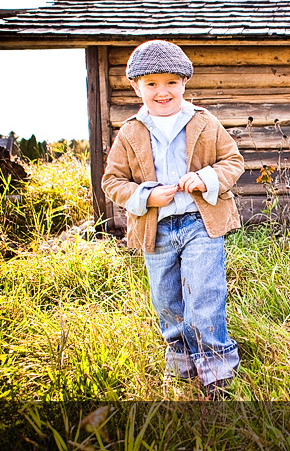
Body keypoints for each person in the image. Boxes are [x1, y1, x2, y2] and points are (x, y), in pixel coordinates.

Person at [101, 40, 244, 399]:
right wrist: (146, 196)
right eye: (151, 83)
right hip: (157, 228)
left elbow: (233, 161)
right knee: (166, 297)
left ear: (184, 82)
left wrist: (205, 178)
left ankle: (216, 368)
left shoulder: (203, 122)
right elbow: (112, 181)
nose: (161, 91)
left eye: (170, 82)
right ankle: (182, 361)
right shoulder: (131, 131)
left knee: (204, 293)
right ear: (136, 86)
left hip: (200, 222)